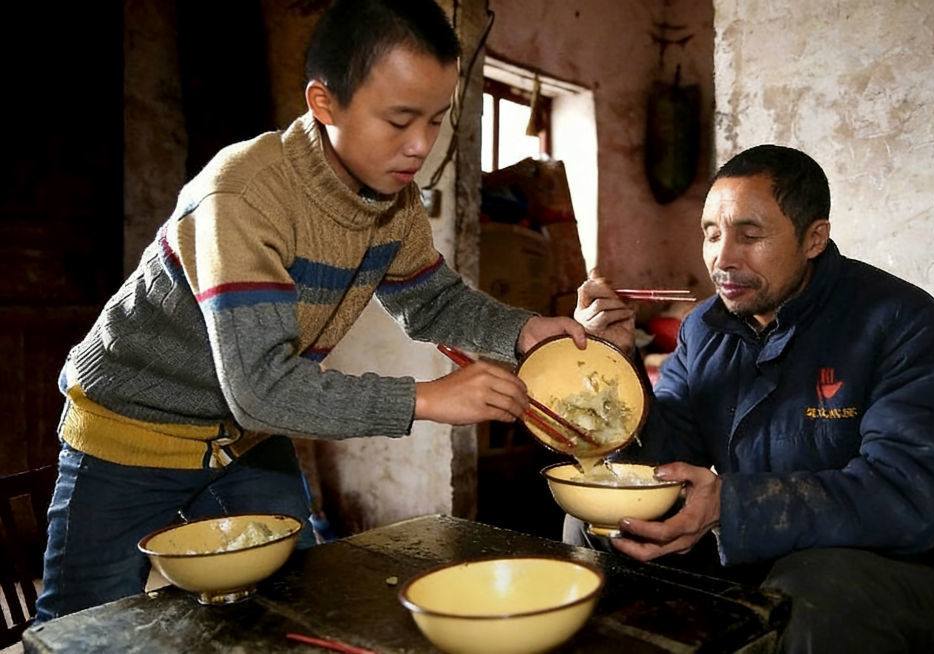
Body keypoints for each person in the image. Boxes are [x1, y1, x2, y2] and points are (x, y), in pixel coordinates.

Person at [35, 0, 584, 623]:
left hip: (243, 440)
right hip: (132, 430)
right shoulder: (244, 194)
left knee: (295, 602)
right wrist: (426, 399)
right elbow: (262, 389)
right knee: (81, 624)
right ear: (324, 103)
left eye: (436, 120)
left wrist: (523, 330)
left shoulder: (393, 203)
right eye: (399, 119)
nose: (420, 146)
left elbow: (430, 299)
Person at [571, 144, 934, 652]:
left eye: (750, 235)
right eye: (711, 234)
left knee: (810, 593)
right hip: (761, 547)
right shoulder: (704, 330)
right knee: (600, 523)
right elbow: (664, 462)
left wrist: (728, 506)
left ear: (814, 238)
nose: (722, 259)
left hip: (918, 562)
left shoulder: (901, 322)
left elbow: (907, 500)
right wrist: (616, 363)